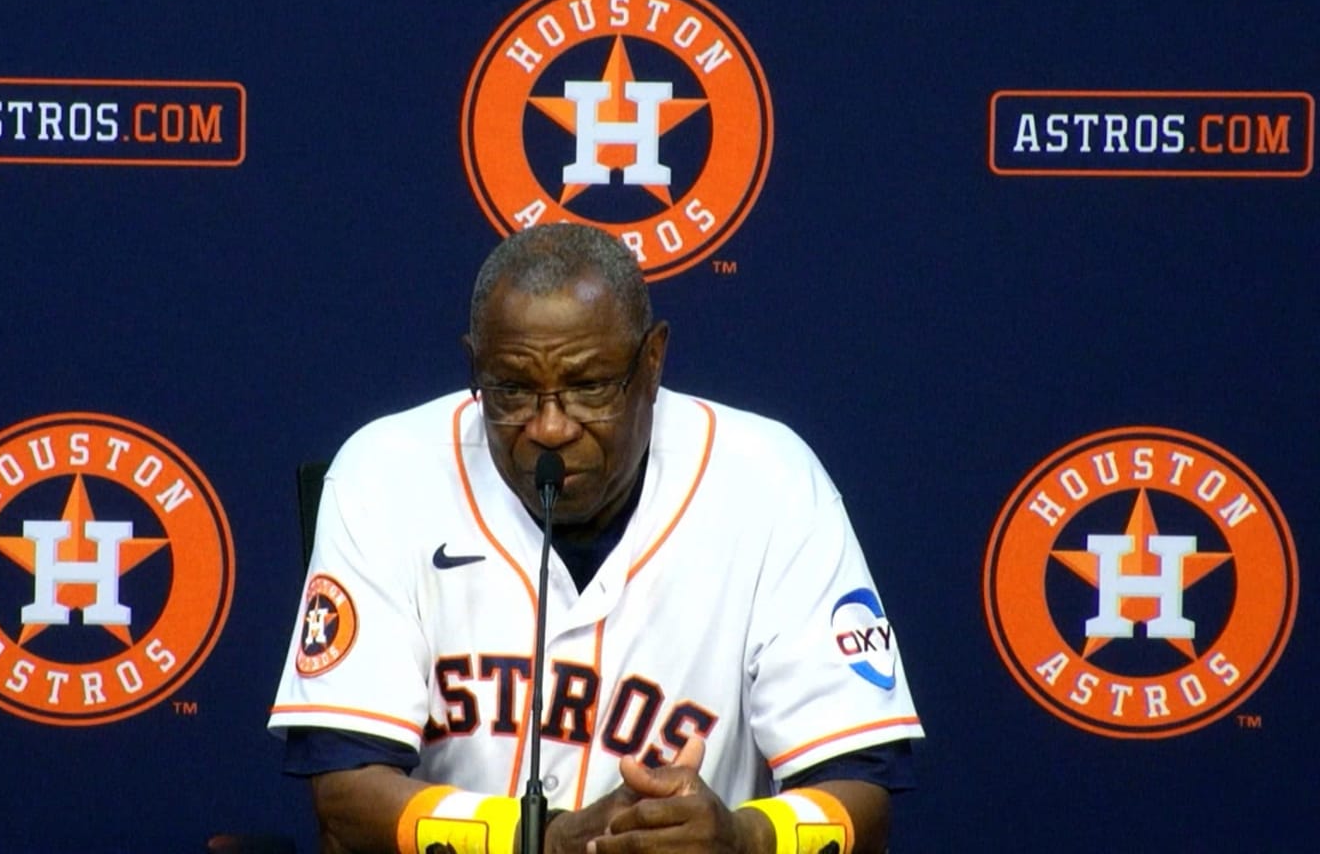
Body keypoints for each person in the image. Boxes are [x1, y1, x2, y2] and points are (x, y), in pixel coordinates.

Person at [269, 223, 923, 854]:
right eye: (513, 389)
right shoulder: (386, 474)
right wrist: (542, 839)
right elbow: (344, 803)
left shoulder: (771, 481)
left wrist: (745, 838)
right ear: (475, 365)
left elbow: (863, 798)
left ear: (654, 360)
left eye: (587, 387)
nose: (550, 427)